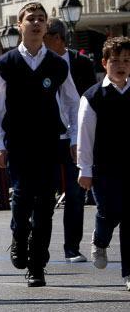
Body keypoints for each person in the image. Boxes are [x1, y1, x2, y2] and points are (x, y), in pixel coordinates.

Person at [0, 2, 80, 287]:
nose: (37, 23)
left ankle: (37, 265)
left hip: (50, 142)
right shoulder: (6, 63)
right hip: (18, 143)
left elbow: (73, 103)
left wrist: (75, 139)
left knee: (45, 204)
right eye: (31, 19)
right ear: (20, 25)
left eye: (41, 19)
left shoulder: (57, 64)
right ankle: (19, 236)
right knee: (22, 199)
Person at [75, 36, 130, 292]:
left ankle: (128, 273)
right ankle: (100, 239)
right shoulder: (93, 97)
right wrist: (84, 169)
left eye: (127, 61)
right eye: (116, 61)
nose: (121, 66)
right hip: (104, 168)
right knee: (109, 212)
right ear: (104, 63)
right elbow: (85, 136)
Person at [44, 18, 97, 263]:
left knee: (75, 194)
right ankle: (37, 247)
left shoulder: (81, 63)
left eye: (46, 36)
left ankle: (72, 248)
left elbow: (91, 98)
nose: (41, 41)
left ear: (57, 38)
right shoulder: (38, 62)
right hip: (47, 137)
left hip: (76, 136)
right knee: (43, 194)